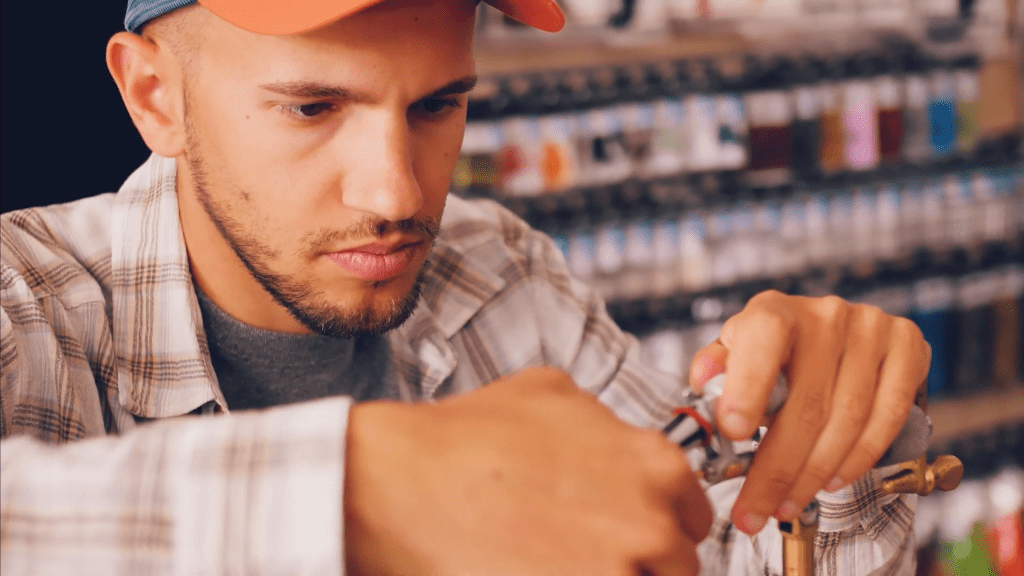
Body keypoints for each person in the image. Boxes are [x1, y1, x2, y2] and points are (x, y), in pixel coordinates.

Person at [0, 0, 933, 574]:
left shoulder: (498, 273)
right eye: (313, 108)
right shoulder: (27, 308)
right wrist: (360, 495)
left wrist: (831, 439)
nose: (398, 196)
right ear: (155, 95)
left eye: (438, 105)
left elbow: (728, 553)